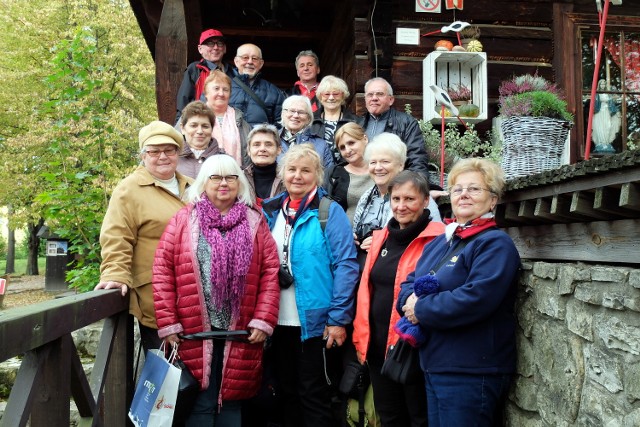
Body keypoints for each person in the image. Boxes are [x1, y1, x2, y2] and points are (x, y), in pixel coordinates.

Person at [153, 154, 280, 426]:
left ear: (239, 182)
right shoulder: (184, 220)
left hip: (241, 328)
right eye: (216, 177)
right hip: (193, 328)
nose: (224, 183)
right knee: (199, 401)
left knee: (232, 402)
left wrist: (263, 320)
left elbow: (270, 272)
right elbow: (163, 271)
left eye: (231, 177)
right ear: (203, 182)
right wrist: (169, 323)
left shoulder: (255, 221)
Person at [397, 158, 521, 427]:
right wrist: (408, 301)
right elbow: (409, 282)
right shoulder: (442, 242)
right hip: (435, 364)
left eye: (475, 189)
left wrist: (420, 309)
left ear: (492, 201)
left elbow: (476, 299)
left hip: (471, 369)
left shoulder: (494, 244)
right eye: (457, 189)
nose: (464, 194)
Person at [261, 144, 359, 427]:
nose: (298, 176)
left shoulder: (330, 211)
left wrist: (338, 318)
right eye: (291, 169)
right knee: (285, 392)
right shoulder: (270, 211)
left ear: (318, 175)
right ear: (282, 174)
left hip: (315, 323)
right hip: (276, 321)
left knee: (313, 394)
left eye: (306, 170)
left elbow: (346, 265)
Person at [353, 171, 445, 427]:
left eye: (410, 199)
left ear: (426, 201)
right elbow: (365, 291)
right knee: (389, 416)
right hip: (377, 346)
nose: (401, 206)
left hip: (412, 346)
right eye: (396, 199)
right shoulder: (381, 237)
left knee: (419, 417)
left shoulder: (440, 238)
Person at [95, 121, 191, 352]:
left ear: (178, 153)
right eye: (154, 151)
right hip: (155, 295)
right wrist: (116, 273)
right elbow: (117, 235)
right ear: (143, 155)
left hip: (193, 294)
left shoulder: (193, 187)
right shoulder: (129, 189)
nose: (162, 156)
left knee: (197, 370)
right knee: (165, 370)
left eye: (169, 150)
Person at [352, 133, 406, 268]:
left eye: (385, 162)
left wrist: (382, 242)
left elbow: (426, 240)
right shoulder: (366, 196)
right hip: (362, 269)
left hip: (394, 269)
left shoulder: (413, 197)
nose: (378, 167)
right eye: (373, 162)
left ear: (400, 165)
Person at [357, 77, 430, 177]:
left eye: (380, 94)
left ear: (391, 100)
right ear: (365, 99)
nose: (374, 98)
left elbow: (417, 157)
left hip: (395, 181)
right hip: (363, 180)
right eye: (370, 95)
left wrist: (419, 186)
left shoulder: (407, 122)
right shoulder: (357, 124)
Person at [175, 29, 233, 123]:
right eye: (210, 44)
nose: (215, 47)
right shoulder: (195, 69)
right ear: (200, 49)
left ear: (225, 48)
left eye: (220, 43)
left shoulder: (233, 72)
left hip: (228, 123)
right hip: (202, 123)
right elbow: (184, 100)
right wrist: (180, 125)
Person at [323, 122, 372, 223]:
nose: (348, 150)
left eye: (351, 143)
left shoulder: (381, 169)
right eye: (342, 147)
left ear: (365, 139)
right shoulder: (334, 174)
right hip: (345, 235)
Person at [203, 70, 252, 166]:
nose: (221, 93)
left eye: (225, 90)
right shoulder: (193, 116)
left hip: (234, 176)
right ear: (206, 93)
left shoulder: (240, 121)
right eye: (216, 88)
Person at [229, 43, 286, 126]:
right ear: (236, 61)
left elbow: (280, 125)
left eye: (254, 58)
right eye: (245, 58)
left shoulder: (274, 92)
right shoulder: (224, 87)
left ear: (261, 63)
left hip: (261, 139)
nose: (250, 62)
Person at [310, 75, 358, 164]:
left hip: (346, 171)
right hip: (317, 170)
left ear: (343, 95)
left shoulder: (355, 121)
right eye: (327, 94)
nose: (331, 98)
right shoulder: (310, 121)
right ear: (320, 96)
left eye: (336, 94)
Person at [278, 95, 334, 168]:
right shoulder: (271, 140)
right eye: (292, 111)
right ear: (283, 114)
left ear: (308, 118)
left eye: (301, 112)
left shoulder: (321, 145)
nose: (295, 115)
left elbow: (328, 175)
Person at [243, 123, 285, 206]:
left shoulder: (288, 179)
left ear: (279, 150)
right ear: (248, 150)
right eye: (256, 145)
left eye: (268, 144)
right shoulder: (239, 179)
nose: (262, 149)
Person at [177, 100, 220, 178]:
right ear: (182, 128)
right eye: (193, 125)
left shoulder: (224, 160)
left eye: (205, 126)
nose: (200, 131)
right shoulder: (171, 159)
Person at [592, 79, 621, 154]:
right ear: (599, 85)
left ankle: (606, 142)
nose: (603, 86)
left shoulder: (608, 94)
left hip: (606, 112)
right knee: (600, 127)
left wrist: (616, 110)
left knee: (607, 126)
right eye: (601, 84)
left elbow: (612, 103)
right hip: (599, 113)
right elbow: (594, 104)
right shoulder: (597, 94)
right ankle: (601, 142)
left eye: (604, 84)